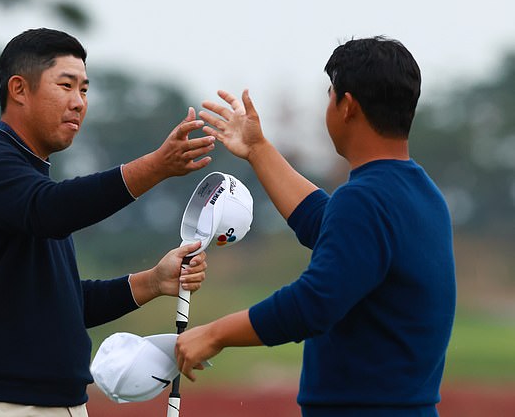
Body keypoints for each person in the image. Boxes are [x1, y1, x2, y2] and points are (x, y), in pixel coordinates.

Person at [0, 28, 214, 416]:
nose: (79, 102)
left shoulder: (29, 180)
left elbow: (62, 300)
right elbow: (51, 210)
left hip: (49, 403)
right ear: (19, 89)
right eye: (66, 85)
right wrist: (156, 166)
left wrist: (152, 282)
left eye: (84, 90)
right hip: (2, 404)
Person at [175, 36, 456, 416]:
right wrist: (258, 149)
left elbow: (314, 303)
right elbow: (328, 225)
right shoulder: (422, 194)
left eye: (330, 94)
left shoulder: (364, 199)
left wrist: (214, 334)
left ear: (347, 106)